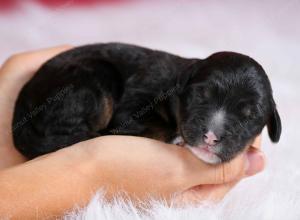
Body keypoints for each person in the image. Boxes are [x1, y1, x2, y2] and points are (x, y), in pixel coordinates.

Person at [0, 45, 265, 219]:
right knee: (90, 87)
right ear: (183, 86)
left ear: (269, 124)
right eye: (202, 99)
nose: (212, 133)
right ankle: (59, 136)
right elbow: (128, 124)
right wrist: (90, 172)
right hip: (74, 81)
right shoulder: (161, 90)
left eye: (247, 117)